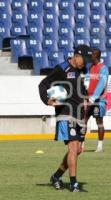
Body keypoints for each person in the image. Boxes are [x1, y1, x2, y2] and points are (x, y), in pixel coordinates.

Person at [38, 44, 93, 192]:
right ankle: (74, 184)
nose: (85, 62)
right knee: (73, 147)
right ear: (76, 56)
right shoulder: (61, 68)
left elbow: (83, 92)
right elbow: (43, 84)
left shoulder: (82, 71)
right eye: (84, 59)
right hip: (65, 113)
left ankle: (56, 176)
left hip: (80, 113)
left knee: (77, 150)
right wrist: (47, 100)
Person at [83, 48, 109, 153]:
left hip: (99, 100)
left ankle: (100, 146)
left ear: (96, 56)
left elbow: (102, 84)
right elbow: (86, 81)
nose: (90, 56)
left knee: (99, 122)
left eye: (92, 54)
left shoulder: (103, 68)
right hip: (88, 99)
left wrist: (94, 97)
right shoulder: (90, 67)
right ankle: (82, 144)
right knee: (83, 121)